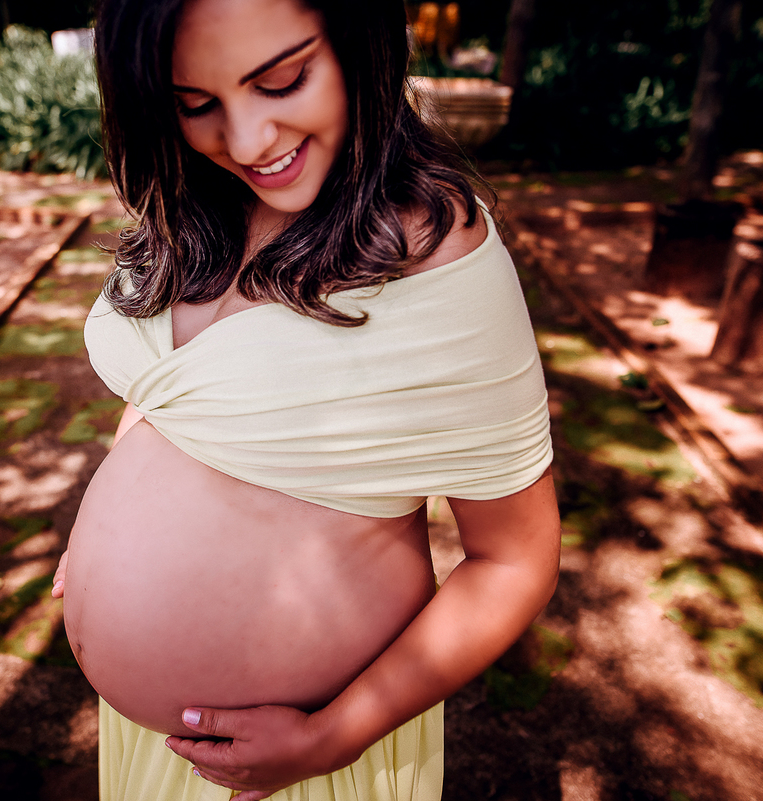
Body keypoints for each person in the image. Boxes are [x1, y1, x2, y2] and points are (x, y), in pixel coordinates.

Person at [50, 0, 561, 799]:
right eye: (197, 104)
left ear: (361, 46)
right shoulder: (196, 207)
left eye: (282, 80)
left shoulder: (438, 257)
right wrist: (107, 525)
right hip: (151, 742)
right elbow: (171, 397)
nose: (248, 140)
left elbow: (515, 558)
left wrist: (331, 736)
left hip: (304, 760)